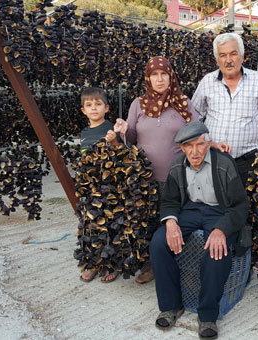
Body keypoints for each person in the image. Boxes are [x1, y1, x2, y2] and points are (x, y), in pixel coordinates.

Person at [149, 121, 249, 339]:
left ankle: (207, 316)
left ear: (208, 144)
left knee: (216, 252)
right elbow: (169, 201)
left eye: (199, 145)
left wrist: (221, 229)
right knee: (158, 244)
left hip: (220, 212)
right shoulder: (177, 166)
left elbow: (240, 206)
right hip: (190, 210)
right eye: (188, 146)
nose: (195, 152)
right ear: (182, 148)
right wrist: (171, 222)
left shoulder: (224, 164)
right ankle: (171, 306)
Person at [114, 56, 197, 284]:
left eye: (164, 74)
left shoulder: (183, 103)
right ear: (148, 79)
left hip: (178, 179)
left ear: (171, 76)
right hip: (145, 179)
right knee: (149, 222)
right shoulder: (138, 104)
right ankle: (151, 266)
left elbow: (197, 134)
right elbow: (130, 139)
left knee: (176, 222)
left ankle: (181, 264)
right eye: (154, 75)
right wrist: (124, 129)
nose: (159, 79)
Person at [190, 32, 258, 186]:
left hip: (247, 162)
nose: (228, 60)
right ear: (217, 60)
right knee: (213, 205)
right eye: (223, 55)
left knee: (244, 206)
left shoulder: (257, 80)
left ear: (242, 56)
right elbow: (194, 119)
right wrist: (205, 143)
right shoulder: (207, 81)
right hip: (212, 158)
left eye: (233, 54)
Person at [78, 87, 121, 283]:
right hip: (90, 188)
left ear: (106, 108)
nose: (94, 108)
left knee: (110, 226)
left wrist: (114, 143)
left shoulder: (111, 129)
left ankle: (110, 264)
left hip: (109, 188)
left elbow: (121, 153)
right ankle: (93, 263)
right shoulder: (84, 133)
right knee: (91, 226)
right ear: (83, 110)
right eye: (89, 105)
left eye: (98, 104)